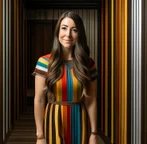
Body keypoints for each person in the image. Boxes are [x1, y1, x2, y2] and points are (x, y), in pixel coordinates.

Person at [33, 11, 98, 144]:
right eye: (64, 28)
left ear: (80, 34)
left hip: (80, 121)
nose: (68, 34)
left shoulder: (88, 63)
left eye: (74, 30)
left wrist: (94, 133)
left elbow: (90, 99)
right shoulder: (44, 62)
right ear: (58, 32)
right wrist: (40, 136)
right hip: (53, 122)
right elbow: (39, 100)